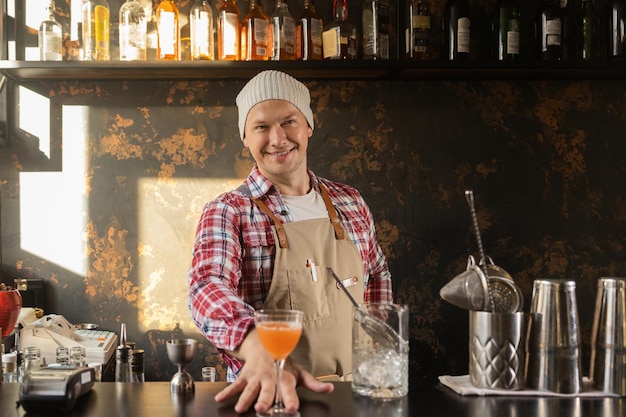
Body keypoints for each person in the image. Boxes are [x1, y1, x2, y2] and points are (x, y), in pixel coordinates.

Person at [187, 70, 393, 414]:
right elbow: (206, 287)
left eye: (289, 121)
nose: (278, 138)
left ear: (308, 125)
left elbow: (377, 275)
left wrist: (377, 353)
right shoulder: (229, 211)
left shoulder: (350, 202)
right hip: (271, 401)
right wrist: (253, 342)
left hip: (356, 397)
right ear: (245, 137)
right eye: (261, 127)